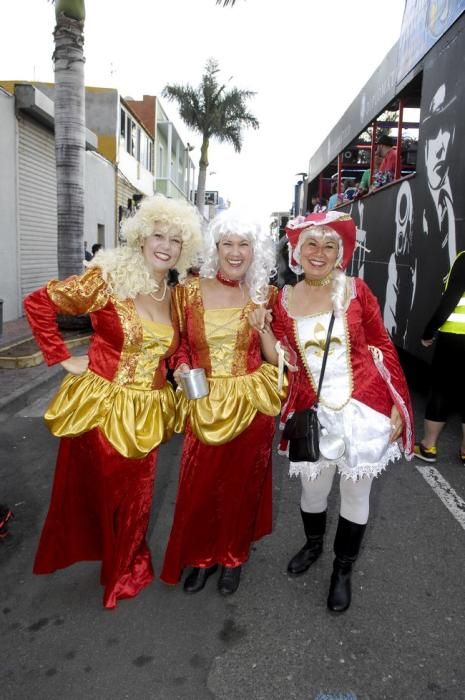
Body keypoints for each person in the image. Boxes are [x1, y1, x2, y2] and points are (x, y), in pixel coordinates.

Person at [23, 194, 202, 609]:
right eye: (158, 235)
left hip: (150, 408)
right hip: (104, 406)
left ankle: (126, 563)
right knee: (106, 493)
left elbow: (169, 348)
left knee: (139, 494)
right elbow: (39, 303)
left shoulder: (171, 293)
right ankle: (117, 563)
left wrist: (176, 366)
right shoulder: (109, 277)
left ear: (183, 248)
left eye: (175, 240)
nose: (166, 246)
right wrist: (62, 357)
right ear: (141, 237)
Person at [250, 210, 413, 613]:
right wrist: (264, 331)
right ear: (296, 251)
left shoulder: (357, 290)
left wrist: (397, 402)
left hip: (365, 408)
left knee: (357, 494)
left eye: (328, 245)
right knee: (313, 490)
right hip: (312, 412)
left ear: (340, 253)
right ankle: (313, 545)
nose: (318, 253)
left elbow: (383, 345)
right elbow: (279, 360)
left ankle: (342, 569)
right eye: (311, 244)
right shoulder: (284, 300)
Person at [160, 209, 285, 596]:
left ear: (255, 251)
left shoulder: (267, 296)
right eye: (227, 243)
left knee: (241, 487)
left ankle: (232, 556)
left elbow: (277, 357)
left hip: (251, 404)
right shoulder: (186, 293)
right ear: (215, 249)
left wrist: (263, 326)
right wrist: (181, 371)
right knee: (200, 486)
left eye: (243, 244)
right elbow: (176, 347)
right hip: (205, 401)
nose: (235, 252)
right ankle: (199, 557)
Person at [414, 250, 465, 466]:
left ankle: (428, 446)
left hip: (456, 338)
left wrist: (429, 331)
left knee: (441, 391)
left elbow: (451, 298)